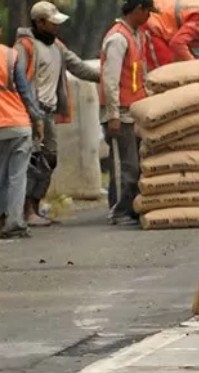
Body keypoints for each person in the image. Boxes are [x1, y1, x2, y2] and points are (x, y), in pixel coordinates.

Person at [14, 1, 101, 227]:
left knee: (49, 159)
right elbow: (19, 80)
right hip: (32, 112)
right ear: (39, 22)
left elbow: (77, 67)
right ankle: (26, 210)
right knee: (33, 161)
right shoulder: (25, 47)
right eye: (52, 23)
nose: (56, 27)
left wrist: (105, 76)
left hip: (49, 112)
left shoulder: (58, 47)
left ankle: (34, 204)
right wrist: (31, 112)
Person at [100, 0, 156, 226]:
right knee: (125, 166)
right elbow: (110, 79)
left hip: (133, 110)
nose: (150, 17)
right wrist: (112, 114)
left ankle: (129, 207)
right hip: (120, 113)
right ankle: (119, 210)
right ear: (138, 10)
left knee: (133, 164)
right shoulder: (118, 38)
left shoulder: (136, 35)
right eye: (148, 12)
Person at [0, 27, 46, 239]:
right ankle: (15, 223)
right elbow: (26, 94)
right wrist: (37, 119)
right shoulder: (10, 55)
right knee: (17, 176)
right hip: (18, 123)